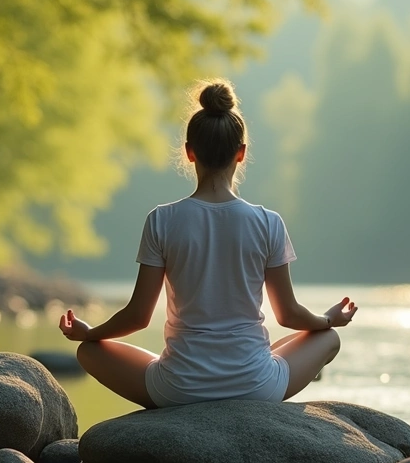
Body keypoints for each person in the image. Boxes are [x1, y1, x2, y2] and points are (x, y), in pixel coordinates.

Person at [57, 78, 357, 409]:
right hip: (257, 387)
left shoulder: (162, 220)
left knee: (89, 352)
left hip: (177, 389)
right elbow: (288, 314)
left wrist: (90, 333)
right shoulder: (268, 222)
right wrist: (328, 320)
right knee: (326, 338)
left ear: (189, 152)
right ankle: (253, 369)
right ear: (241, 154)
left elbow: (138, 316)